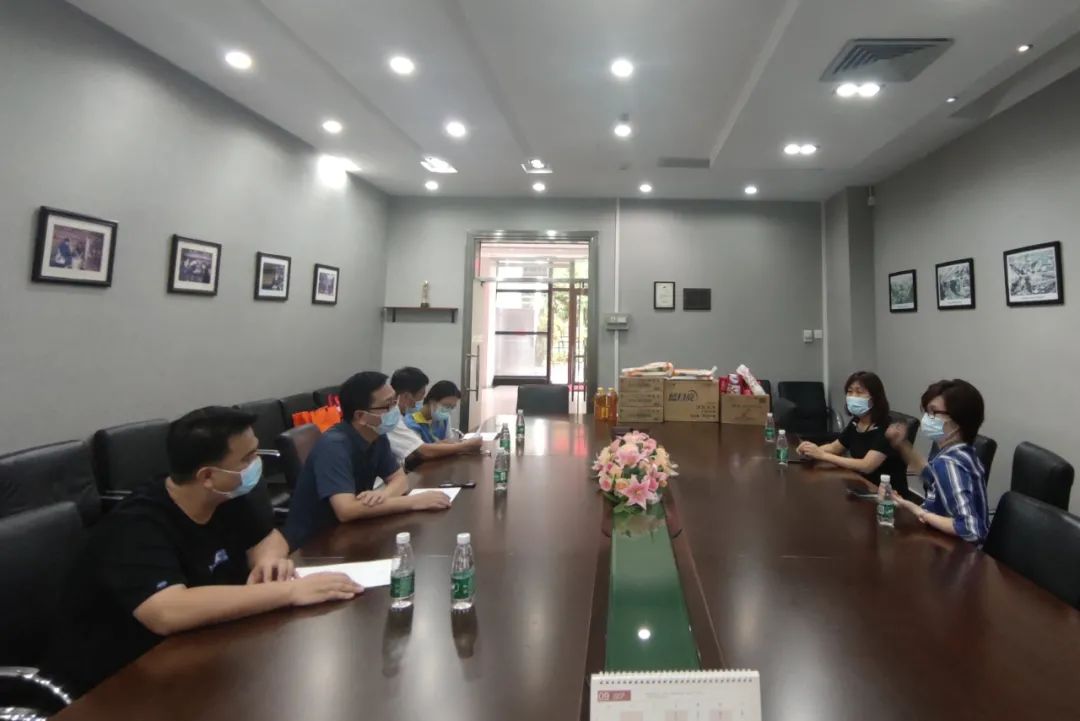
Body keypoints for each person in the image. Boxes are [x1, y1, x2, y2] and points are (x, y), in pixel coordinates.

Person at [42, 406, 362, 697]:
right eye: (247, 458)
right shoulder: (134, 526)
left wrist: (268, 561)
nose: (257, 464)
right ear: (207, 476)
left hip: (196, 651)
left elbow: (270, 538)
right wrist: (289, 591)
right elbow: (167, 611)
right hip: (118, 681)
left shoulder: (226, 497)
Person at [283, 371, 451, 549]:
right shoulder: (334, 446)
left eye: (394, 401)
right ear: (360, 416)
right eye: (388, 405)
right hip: (315, 544)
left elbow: (399, 479)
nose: (395, 409)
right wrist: (413, 502)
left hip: (351, 530)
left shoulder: (377, 435)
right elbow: (346, 510)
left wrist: (383, 496)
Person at [884, 379, 989, 543]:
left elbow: (971, 529)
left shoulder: (950, 463)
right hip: (941, 538)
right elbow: (934, 478)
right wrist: (902, 445)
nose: (926, 418)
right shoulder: (961, 453)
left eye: (933, 412)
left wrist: (920, 512)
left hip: (958, 552)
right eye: (926, 412)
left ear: (957, 421)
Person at [796, 371, 908, 495]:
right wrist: (811, 451)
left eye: (859, 392)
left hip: (887, 495)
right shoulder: (857, 422)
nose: (853, 396)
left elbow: (867, 466)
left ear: (875, 398)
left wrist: (822, 455)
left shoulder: (888, 428)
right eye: (850, 392)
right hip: (860, 486)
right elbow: (835, 447)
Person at [387, 366, 481, 468]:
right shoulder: (392, 420)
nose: (422, 399)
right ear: (406, 396)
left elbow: (419, 449)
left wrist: (444, 444)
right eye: (421, 394)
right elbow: (423, 452)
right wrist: (465, 445)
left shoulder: (397, 416)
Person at [404, 380, 468, 443]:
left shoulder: (444, 418)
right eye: (447, 406)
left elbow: (449, 441)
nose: (448, 410)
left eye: (452, 407)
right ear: (432, 401)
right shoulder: (411, 423)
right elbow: (419, 448)